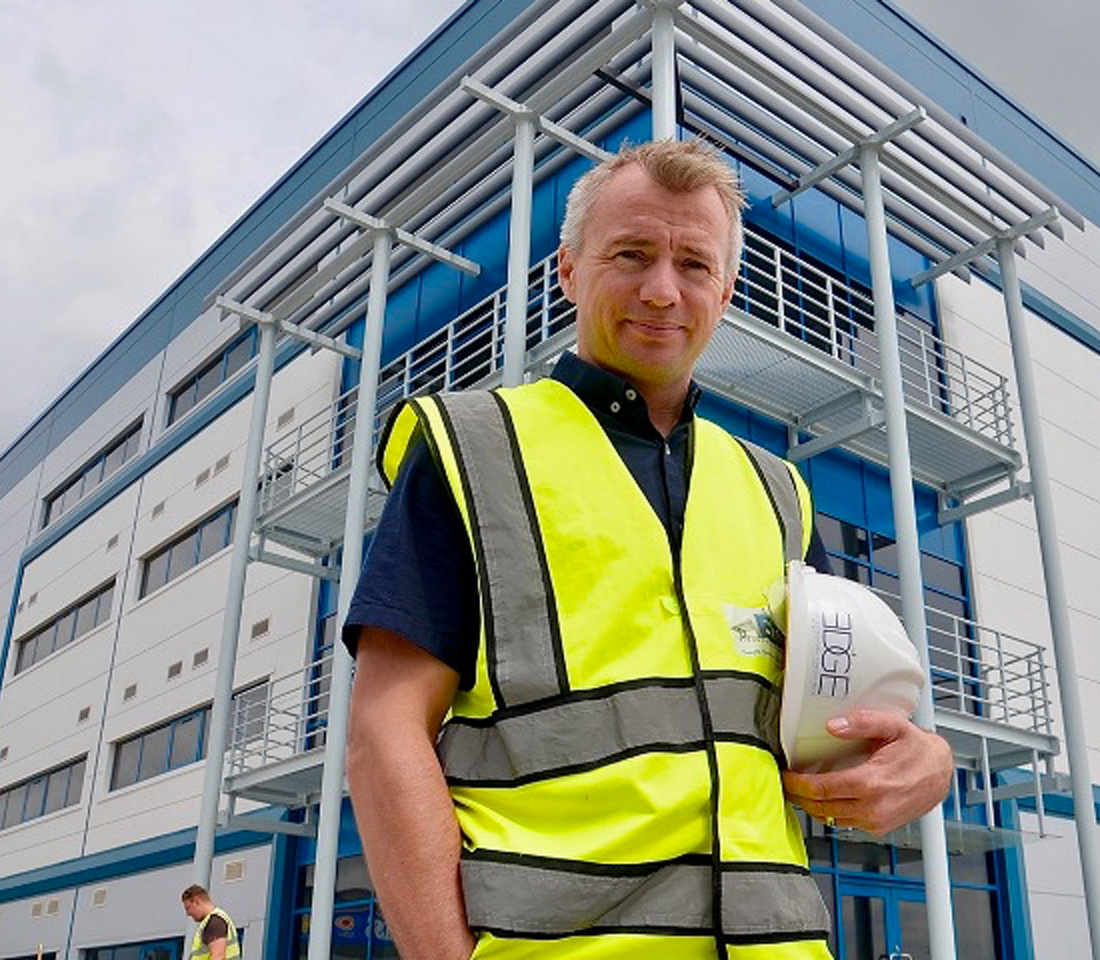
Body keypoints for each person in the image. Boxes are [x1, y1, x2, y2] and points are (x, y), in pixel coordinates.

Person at [345, 139, 953, 959]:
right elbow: (384, 733)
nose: (662, 291)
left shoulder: (777, 493)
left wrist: (927, 759)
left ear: (726, 291)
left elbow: (833, 724)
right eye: (631, 254)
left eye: (694, 265)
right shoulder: (475, 447)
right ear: (567, 270)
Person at [180, 884, 238, 960]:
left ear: (196, 902)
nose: (188, 913)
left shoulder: (214, 922)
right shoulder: (213, 920)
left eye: (188, 908)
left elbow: (218, 957)